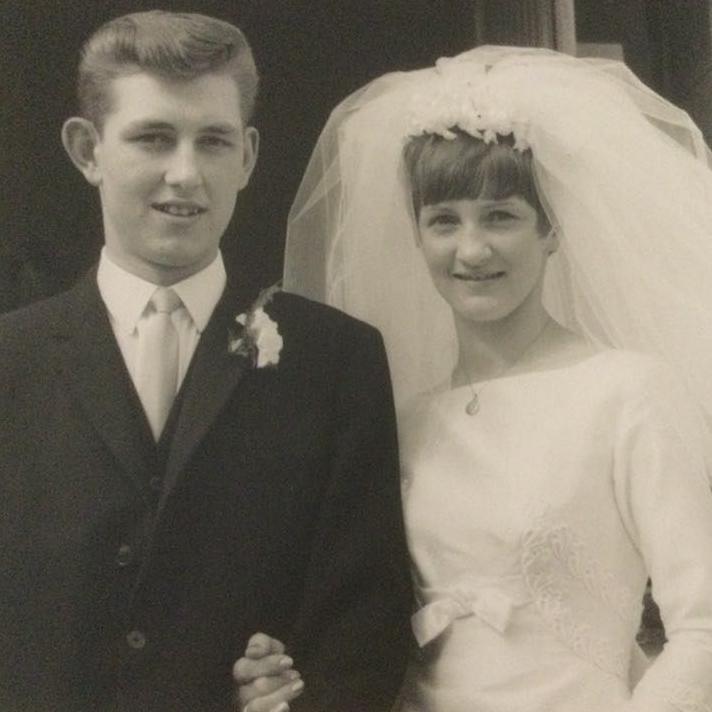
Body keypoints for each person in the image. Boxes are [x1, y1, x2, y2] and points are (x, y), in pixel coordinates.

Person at [239, 47, 712, 711]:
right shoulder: (409, 420)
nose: (472, 250)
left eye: (501, 217)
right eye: (444, 221)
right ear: (419, 236)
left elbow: (703, 630)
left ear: (550, 231)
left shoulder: (627, 393)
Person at [0, 11, 413, 712]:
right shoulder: (12, 360)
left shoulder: (336, 362)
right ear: (87, 149)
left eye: (213, 141)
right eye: (153, 138)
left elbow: (365, 624)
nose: (185, 174)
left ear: (247, 156)